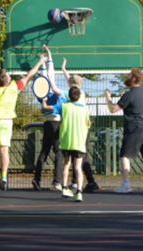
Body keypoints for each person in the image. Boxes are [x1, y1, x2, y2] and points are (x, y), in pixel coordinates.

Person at [0, 53, 47, 190]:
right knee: (4, 150)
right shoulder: (14, 87)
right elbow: (29, 75)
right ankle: (4, 176)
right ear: (6, 78)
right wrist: (40, 61)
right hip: (7, 121)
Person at [105, 68, 143, 193]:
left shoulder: (129, 95)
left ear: (133, 78)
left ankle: (126, 184)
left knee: (124, 156)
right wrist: (124, 99)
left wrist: (108, 98)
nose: (126, 77)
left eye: (129, 75)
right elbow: (135, 105)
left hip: (135, 128)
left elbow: (113, 109)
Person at [42, 87, 90, 202]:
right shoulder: (85, 110)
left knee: (66, 164)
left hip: (66, 141)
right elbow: (88, 123)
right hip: (79, 142)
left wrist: (44, 100)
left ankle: (64, 188)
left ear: (69, 96)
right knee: (78, 167)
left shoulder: (63, 107)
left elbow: (45, 108)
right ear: (79, 96)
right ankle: (79, 192)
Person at [60, 57, 99, 193]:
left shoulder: (76, 96)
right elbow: (69, 80)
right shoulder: (78, 92)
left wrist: (64, 69)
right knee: (80, 159)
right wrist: (64, 68)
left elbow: (68, 81)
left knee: (77, 160)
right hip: (80, 127)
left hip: (78, 129)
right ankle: (82, 184)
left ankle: (78, 183)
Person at [31, 44, 67, 191]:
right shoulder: (59, 94)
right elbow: (49, 75)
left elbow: (45, 76)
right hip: (57, 123)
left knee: (44, 152)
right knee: (58, 153)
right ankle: (57, 181)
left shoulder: (42, 96)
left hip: (46, 124)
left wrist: (43, 61)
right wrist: (49, 55)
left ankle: (36, 178)